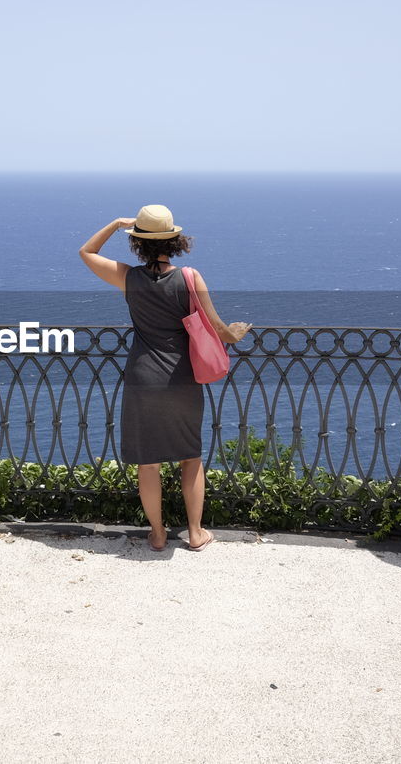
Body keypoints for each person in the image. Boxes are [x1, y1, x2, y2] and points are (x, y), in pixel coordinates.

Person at [78, 204, 252, 552]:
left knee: (148, 462)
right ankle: (196, 532)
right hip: (182, 377)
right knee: (190, 456)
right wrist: (234, 335)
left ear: (138, 244)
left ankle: (157, 533)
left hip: (143, 377)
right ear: (175, 241)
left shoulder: (128, 277)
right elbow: (217, 327)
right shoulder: (190, 278)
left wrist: (115, 223)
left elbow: (87, 252)